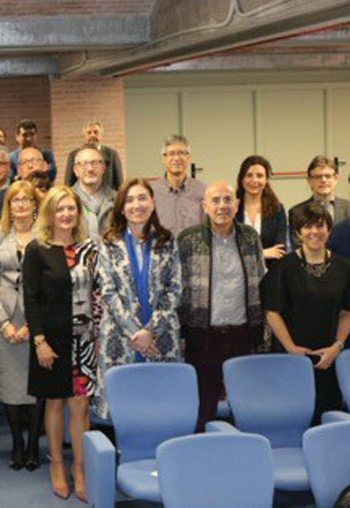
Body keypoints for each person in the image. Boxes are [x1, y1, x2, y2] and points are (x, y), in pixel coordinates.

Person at [23, 185, 100, 501]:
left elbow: (98, 295)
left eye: (71, 208)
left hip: (83, 341)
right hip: (50, 341)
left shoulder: (89, 249)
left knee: (80, 405)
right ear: (50, 214)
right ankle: (56, 464)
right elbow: (30, 298)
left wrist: (97, 337)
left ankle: (80, 468)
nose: (66, 214)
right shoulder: (37, 248)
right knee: (54, 403)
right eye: (60, 209)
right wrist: (39, 340)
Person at [177, 181, 265, 431]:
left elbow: (260, 280)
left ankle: (244, 459)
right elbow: (179, 289)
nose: (222, 206)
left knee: (245, 405)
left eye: (228, 200)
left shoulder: (250, 237)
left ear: (237, 204)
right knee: (202, 408)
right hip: (202, 336)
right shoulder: (188, 239)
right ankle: (201, 459)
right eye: (215, 201)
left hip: (242, 334)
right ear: (204, 206)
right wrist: (182, 332)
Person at [93, 179, 182, 418]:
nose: (137, 205)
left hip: (160, 336)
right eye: (130, 200)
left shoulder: (167, 240)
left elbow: (174, 288)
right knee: (124, 408)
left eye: (142, 198)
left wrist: (150, 330)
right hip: (121, 336)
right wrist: (135, 332)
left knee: (161, 407)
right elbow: (108, 291)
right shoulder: (109, 243)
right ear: (121, 208)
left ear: (153, 203)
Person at [261, 202, 350, 423]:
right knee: (292, 418)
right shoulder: (284, 267)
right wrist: (291, 349)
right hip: (292, 356)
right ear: (298, 233)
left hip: (328, 359)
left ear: (329, 230)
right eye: (307, 227)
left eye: (320, 226)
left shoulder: (344, 267)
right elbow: (272, 312)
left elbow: (347, 312)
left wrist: (336, 347)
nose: (314, 232)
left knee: (328, 418)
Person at [0, 181, 43, 471]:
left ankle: (33, 444)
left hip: (36, 321)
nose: (20, 204)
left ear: (35, 204)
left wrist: (33, 325)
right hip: (4, 320)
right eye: (14, 200)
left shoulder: (45, 233)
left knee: (35, 385)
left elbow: (48, 282)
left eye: (26, 199)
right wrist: (3, 322)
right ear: (8, 205)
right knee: (9, 385)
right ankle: (16, 444)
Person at [236, 155, 287, 269]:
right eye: (249, 175)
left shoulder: (277, 210)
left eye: (260, 176)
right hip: (236, 275)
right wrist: (264, 253)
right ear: (241, 179)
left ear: (266, 180)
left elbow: (279, 251)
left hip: (269, 275)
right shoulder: (232, 209)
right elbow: (230, 251)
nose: (254, 180)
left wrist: (247, 254)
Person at [150, 134, 206, 236]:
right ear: (163, 158)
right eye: (171, 153)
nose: (176, 158)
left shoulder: (202, 190)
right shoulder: (151, 192)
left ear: (188, 157)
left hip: (193, 250)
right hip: (161, 249)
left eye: (181, 153)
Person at [289, 156, 350, 249]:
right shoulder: (297, 212)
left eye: (328, 176)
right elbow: (298, 246)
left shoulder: (348, 207)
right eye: (318, 177)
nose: (323, 180)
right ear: (309, 181)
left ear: (336, 179)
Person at [65, 121, 123, 191]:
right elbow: (68, 184)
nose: (92, 135)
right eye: (89, 133)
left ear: (101, 135)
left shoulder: (112, 154)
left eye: (96, 132)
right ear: (84, 135)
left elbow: (119, 184)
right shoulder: (73, 156)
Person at [71, 146, 115, 240]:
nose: (90, 169)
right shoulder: (65, 200)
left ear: (103, 168)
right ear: (75, 170)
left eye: (95, 163)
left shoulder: (118, 199)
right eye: (83, 164)